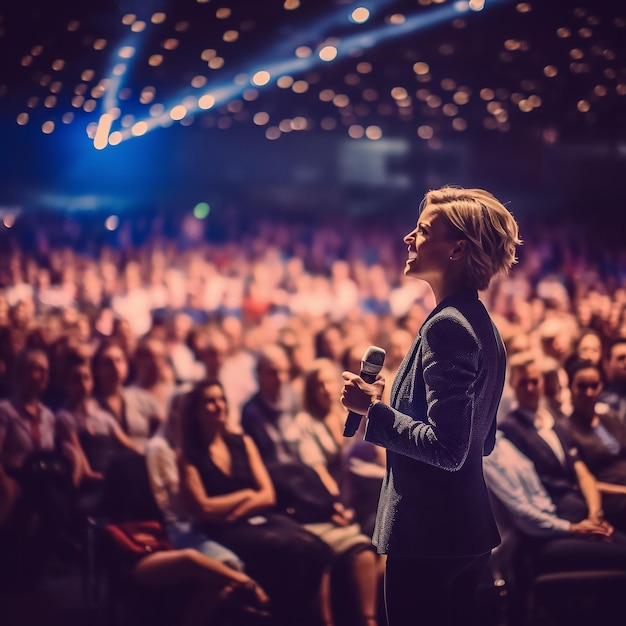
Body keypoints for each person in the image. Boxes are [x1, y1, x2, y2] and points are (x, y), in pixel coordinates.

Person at [340, 186, 521, 626]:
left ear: (457, 248)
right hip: (461, 529)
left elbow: (448, 447)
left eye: (422, 231)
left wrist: (373, 410)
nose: (408, 238)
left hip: (430, 535)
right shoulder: (480, 322)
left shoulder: (448, 326)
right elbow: (484, 440)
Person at [178, 379, 332, 626]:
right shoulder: (188, 453)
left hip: (255, 517)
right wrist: (246, 496)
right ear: (196, 411)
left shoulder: (242, 442)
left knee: (316, 546)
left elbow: (267, 495)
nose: (218, 406)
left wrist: (239, 505)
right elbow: (202, 508)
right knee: (292, 550)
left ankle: (316, 619)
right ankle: (287, 617)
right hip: (223, 528)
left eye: (220, 399)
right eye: (209, 401)